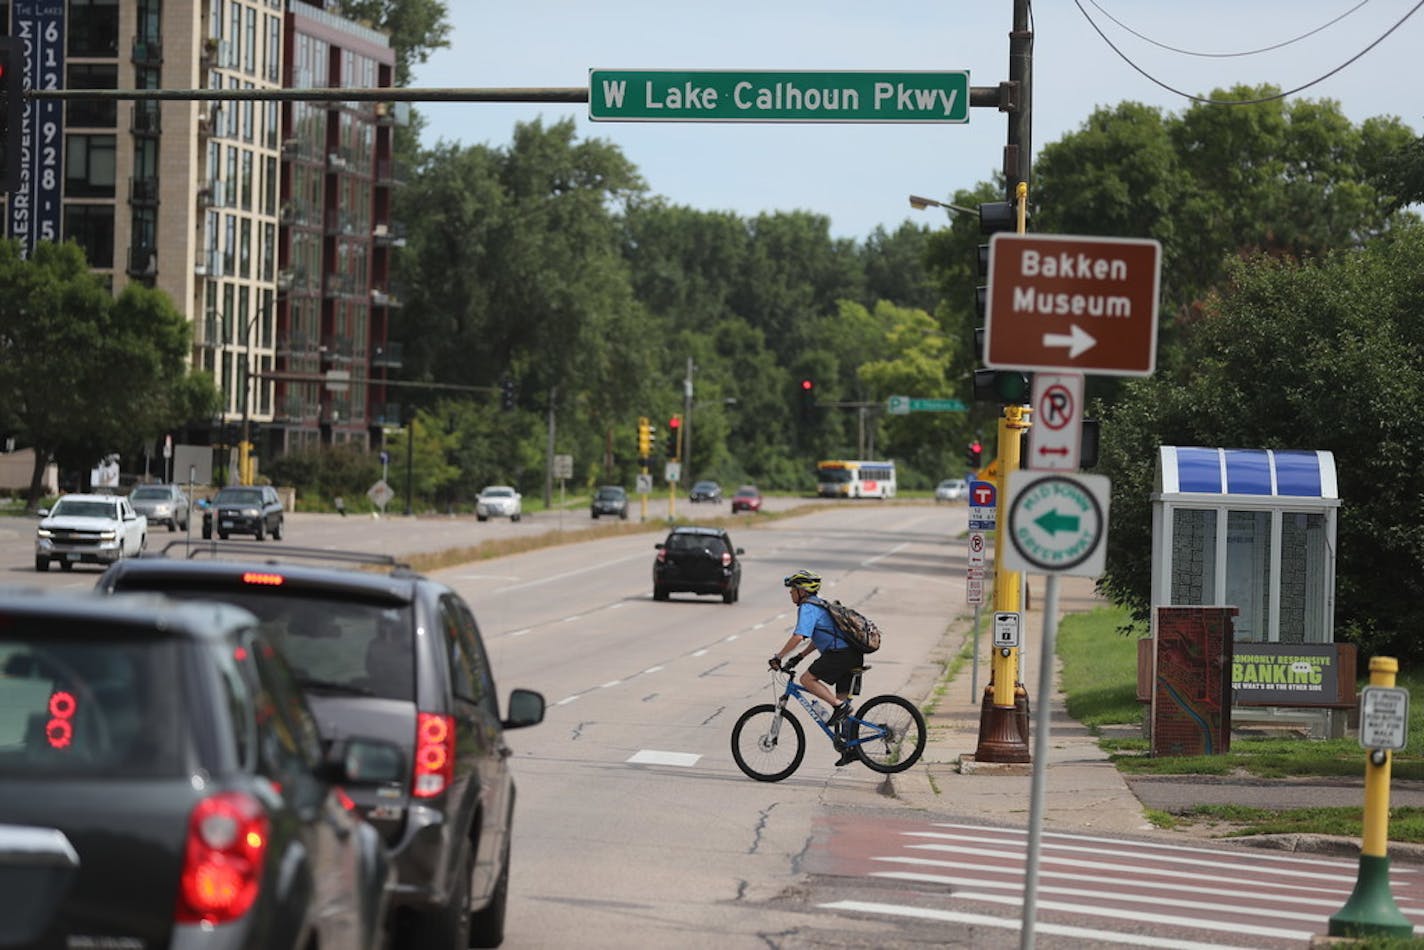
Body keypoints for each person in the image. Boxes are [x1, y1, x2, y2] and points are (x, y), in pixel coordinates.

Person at [768, 569, 863, 767]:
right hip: (851, 654)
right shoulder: (820, 603)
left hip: (840, 655)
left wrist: (778, 657)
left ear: (802, 591)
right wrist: (799, 657)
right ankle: (852, 749)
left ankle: (839, 707)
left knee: (806, 680)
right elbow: (817, 637)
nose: (790, 593)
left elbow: (799, 636)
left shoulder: (807, 607)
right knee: (843, 707)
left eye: (793, 589)